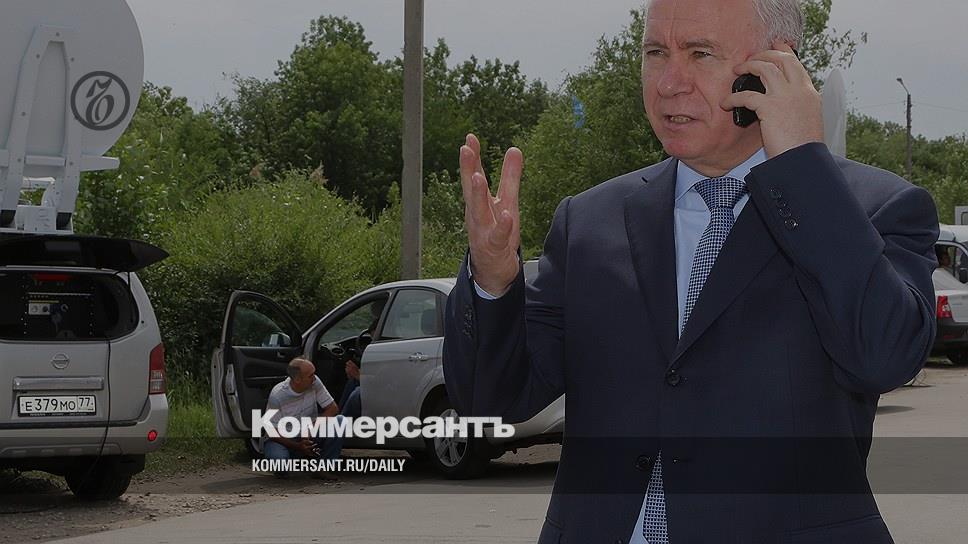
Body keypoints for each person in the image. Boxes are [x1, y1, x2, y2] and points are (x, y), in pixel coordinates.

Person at [443, 0, 938, 542]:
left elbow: (884, 359)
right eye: (656, 53)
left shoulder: (872, 210)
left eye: (700, 54)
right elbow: (491, 401)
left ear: (777, 67)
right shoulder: (588, 221)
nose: (668, 83)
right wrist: (494, 281)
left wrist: (801, 169)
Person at [263, 358, 343, 472]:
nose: (314, 378)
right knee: (280, 464)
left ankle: (323, 468)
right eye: (310, 375)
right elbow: (271, 432)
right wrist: (298, 446)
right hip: (284, 439)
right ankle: (296, 459)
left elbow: (333, 408)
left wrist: (311, 428)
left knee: (340, 421)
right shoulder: (277, 395)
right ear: (297, 379)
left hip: (308, 434)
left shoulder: (315, 382)